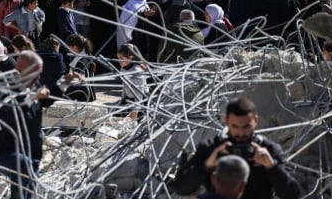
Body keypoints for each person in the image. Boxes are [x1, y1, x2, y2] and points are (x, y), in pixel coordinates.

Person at [172, 97, 301, 199]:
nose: (240, 133)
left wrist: (272, 167)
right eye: (235, 126)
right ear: (226, 121)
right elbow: (181, 188)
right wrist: (206, 165)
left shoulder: (268, 149)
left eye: (246, 127)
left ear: (255, 121)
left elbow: (293, 193)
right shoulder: (212, 148)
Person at [0, 51, 49, 199]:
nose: (38, 78)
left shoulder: (35, 84)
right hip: (4, 153)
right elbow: (7, 114)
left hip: (31, 154)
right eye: (35, 73)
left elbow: (48, 99)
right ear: (20, 70)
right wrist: (30, 99)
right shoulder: (3, 88)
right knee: (23, 167)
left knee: (33, 189)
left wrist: (66, 81)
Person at [115, 44, 149, 120]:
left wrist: (135, 110)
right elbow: (124, 85)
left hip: (141, 99)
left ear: (130, 58)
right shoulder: (122, 68)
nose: (119, 61)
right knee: (117, 115)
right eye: (118, 58)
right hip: (129, 96)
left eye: (121, 58)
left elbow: (139, 92)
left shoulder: (137, 71)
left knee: (140, 121)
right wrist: (121, 101)